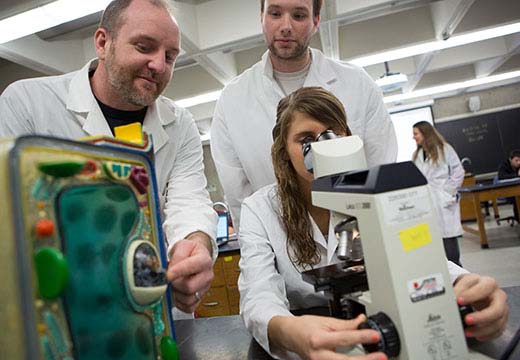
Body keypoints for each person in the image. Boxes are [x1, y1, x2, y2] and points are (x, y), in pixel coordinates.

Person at [238, 87, 508, 359]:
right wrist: (288, 331)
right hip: (304, 332)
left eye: (332, 134)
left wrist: (466, 284)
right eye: (306, 139)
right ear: (284, 150)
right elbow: (259, 295)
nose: (321, 148)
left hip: (376, 322)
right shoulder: (260, 209)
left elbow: (416, 254)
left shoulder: (374, 189)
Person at [0, 0, 216, 314]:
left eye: (170, 56)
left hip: (147, 304)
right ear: (103, 42)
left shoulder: (180, 124)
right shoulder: (28, 103)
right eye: (144, 47)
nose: (159, 65)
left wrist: (196, 246)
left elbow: (190, 202)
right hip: (55, 307)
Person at [210, 0, 397, 228]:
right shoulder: (232, 100)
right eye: (275, 13)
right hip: (278, 244)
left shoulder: (357, 84)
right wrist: (260, 247)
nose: (286, 25)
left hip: (356, 233)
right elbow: (238, 195)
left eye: (298, 15)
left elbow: (381, 166)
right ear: (262, 17)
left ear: (315, 21)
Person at [412, 121, 465, 266]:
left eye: (416, 133)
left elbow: (458, 172)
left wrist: (448, 191)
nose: (413, 137)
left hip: (442, 198)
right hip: (427, 200)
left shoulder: (444, 149)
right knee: (433, 241)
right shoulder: (417, 154)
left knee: (449, 241)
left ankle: (458, 273)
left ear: (425, 133)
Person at [497, 149, 520, 222]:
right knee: (517, 197)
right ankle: (518, 218)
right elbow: (501, 177)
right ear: (510, 159)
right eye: (516, 160)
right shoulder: (503, 165)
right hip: (507, 192)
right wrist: (517, 175)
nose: (519, 163)